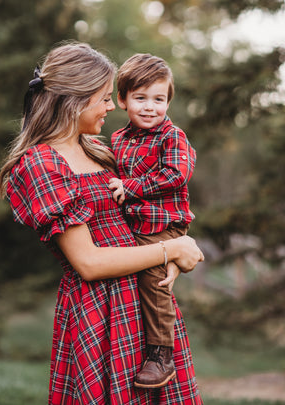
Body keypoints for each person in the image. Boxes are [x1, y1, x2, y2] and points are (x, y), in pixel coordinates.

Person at [0, 41, 204, 404]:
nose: (113, 106)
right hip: (98, 310)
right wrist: (172, 248)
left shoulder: (98, 150)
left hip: (143, 302)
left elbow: (146, 214)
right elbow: (88, 263)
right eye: (104, 97)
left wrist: (168, 255)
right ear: (76, 100)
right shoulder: (42, 164)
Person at [108, 53, 197, 389]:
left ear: (168, 101)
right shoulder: (118, 139)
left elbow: (176, 175)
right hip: (135, 222)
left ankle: (161, 353)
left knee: (152, 278)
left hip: (164, 223)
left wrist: (130, 187)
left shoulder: (171, 137)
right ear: (122, 100)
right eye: (140, 98)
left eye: (159, 99)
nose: (150, 107)